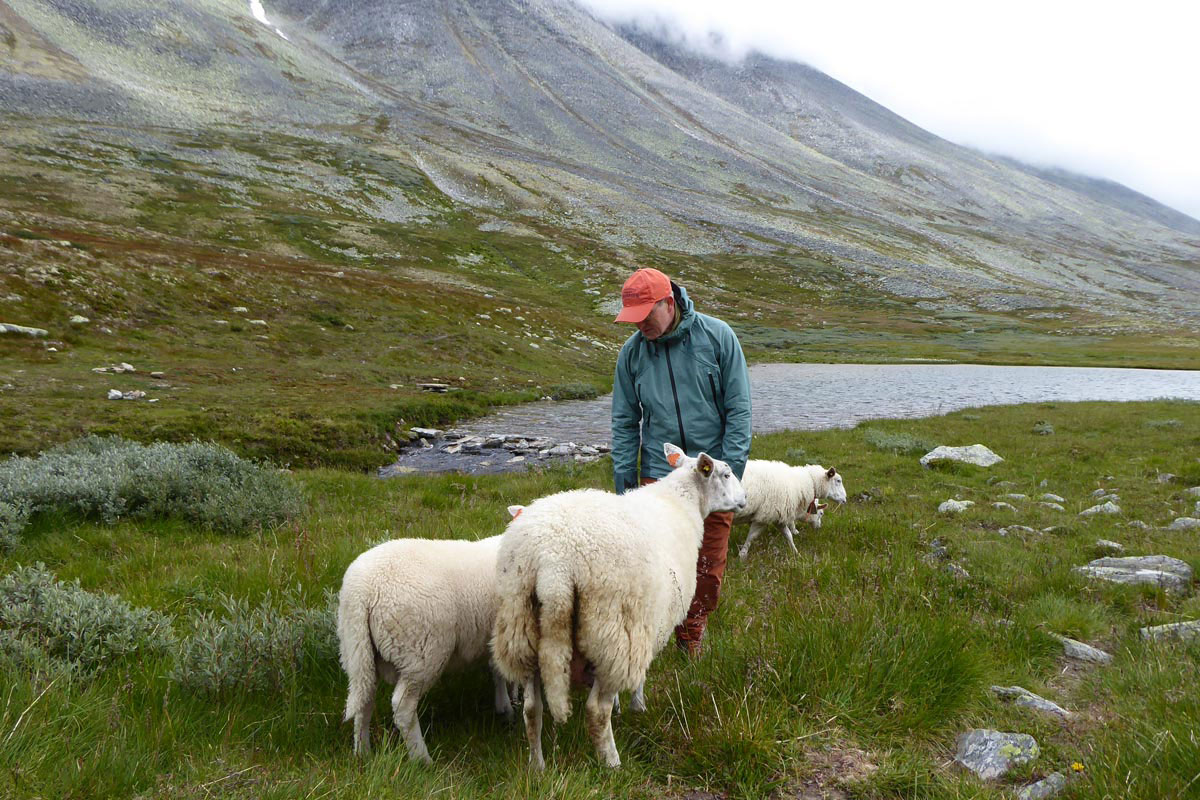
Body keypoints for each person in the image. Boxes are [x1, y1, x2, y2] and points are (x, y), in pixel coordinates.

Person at [611, 267, 752, 656]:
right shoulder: (632, 354)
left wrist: (729, 475)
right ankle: (647, 643)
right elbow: (625, 420)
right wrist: (625, 484)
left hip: (712, 478)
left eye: (645, 315)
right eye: (633, 319)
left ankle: (692, 635)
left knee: (707, 568)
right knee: (652, 567)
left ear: (668, 303)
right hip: (661, 480)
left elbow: (739, 411)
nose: (639, 325)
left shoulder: (718, 337)